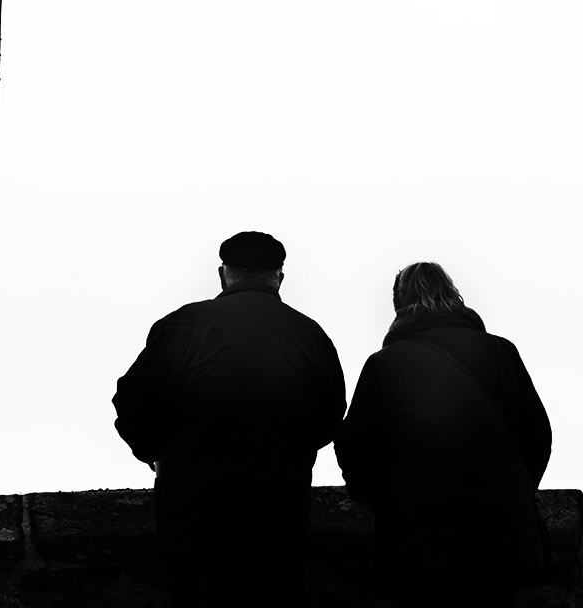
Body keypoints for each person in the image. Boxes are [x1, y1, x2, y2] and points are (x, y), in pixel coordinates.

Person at [113, 231, 346, 607]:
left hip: (195, 519)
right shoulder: (310, 336)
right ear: (279, 277)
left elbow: (134, 402)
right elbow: (330, 416)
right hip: (279, 518)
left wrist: (156, 455)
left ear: (224, 274)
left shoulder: (184, 325)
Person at [335, 262, 552, 608]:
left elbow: (355, 446)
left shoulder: (386, 363)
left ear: (399, 305)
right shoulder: (500, 352)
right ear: (454, 296)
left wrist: (378, 501)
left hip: (421, 539)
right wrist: (514, 489)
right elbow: (537, 435)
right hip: (499, 534)